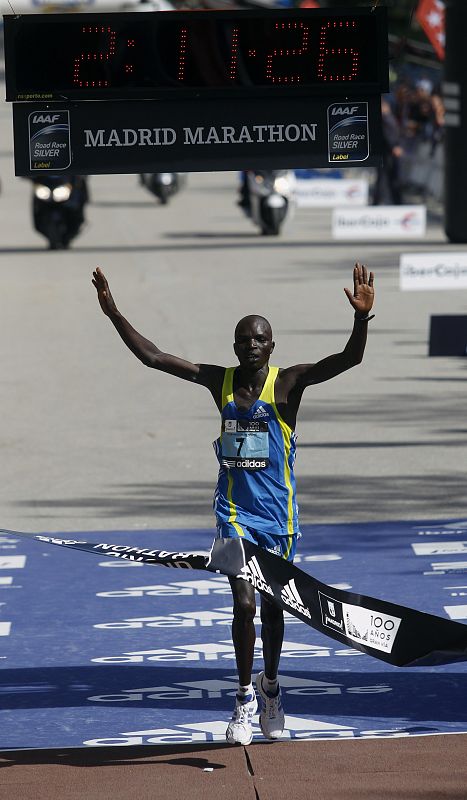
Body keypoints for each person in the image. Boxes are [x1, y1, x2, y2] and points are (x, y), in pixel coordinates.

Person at [92, 262, 375, 745]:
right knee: (242, 603)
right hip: (233, 518)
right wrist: (113, 311)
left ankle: (271, 690)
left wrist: (361, 320)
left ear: (271, 347)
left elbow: (347, 360)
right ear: (235, 346)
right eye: (244, 339)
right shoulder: (218, 381)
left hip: (279, 521)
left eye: (260, 340)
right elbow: (155, 357)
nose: (251, 346)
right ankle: (243, 698)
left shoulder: (288, 384)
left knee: (271, 607)